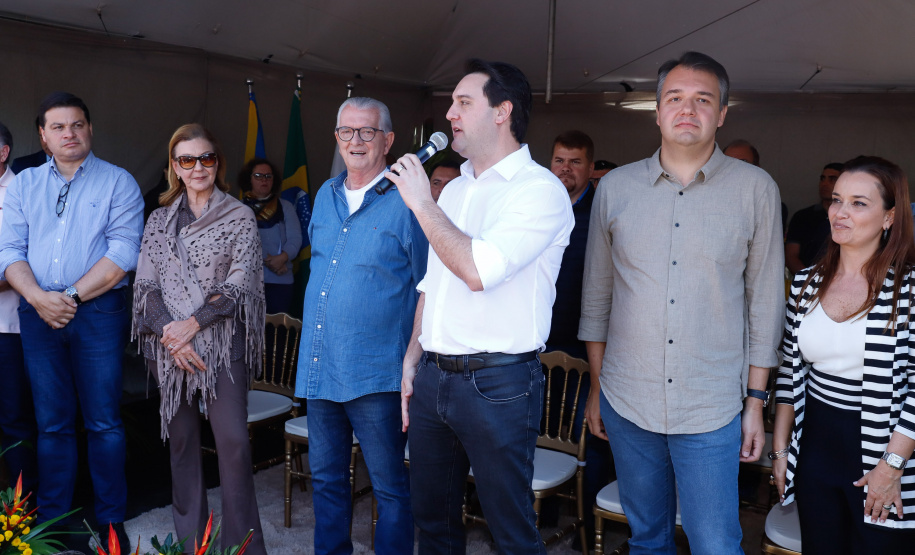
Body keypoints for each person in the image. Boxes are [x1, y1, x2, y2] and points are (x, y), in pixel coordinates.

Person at [579, 52, 784, 554]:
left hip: (711, 406)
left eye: (702, 100)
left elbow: (765, 304)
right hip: (628, 399)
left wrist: (755, 403)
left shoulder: (756, 190)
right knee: (647, 539)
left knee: (715, 542)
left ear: (722, 112)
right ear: (657, 110)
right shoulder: (616, 189)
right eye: (674, 98)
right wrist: (598, 388)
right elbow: (597, 297)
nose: (686, 109)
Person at [390, 59, 574, 554]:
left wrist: (421, 204)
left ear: (502, 112)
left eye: (463, 103)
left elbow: (477, 271)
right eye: (451, 103)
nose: (449, 113)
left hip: (499, 383)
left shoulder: (540, 191)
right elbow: (433, 284)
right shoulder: (454, 189)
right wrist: (412, 359)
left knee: (509, 530)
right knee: (431, 522)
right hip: (434, 378)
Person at [0, 92, 143, 549]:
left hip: (98, 312)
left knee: (103, 421)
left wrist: (70, 296)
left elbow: (123, 252)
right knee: (52, 423)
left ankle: (111, 520)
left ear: (90, 129)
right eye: (58, 127)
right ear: (42, 136)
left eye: (77, 125)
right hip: (38, 313)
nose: (70, 134)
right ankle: (56, 521)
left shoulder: (118, 182)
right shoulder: (23, 186)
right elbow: (8, 252)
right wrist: (39, 297)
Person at [295, 96, 425, 555]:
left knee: (390, 488)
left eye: (367, 132)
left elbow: (429, 288)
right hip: (320, 367)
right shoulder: (324, 198)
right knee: (326, 481)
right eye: (347, 132)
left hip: (377, 373)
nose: (356, 140)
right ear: (336, 138)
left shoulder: (411, 203)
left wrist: (414, 358)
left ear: (387, 140)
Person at [133, 124, 267, 555]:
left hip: (222, 347)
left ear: (218, 163)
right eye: (187, 160)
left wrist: (191, 325)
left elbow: (239, 283)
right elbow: (146, 286)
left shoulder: (239, 215)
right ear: (175, 166)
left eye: (206, 158)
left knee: (233, 444)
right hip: (168, 350)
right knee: (184, 445)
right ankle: (192, 544)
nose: (197, 167)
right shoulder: (159, 219)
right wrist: (174, 338)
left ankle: (242, 546)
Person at [772, 156, 915, 553]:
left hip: (882, 453)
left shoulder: (909, 290)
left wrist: (892, 467)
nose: (841, 212)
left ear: (889, 217)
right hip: (815, 451)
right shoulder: (805, 283)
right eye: (837, 200)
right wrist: (782, 452)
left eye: (859, 203)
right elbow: (789, 373)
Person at [0, 121, 38, 495]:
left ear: (3, 152)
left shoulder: (25, 193)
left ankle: (22, 512)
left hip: (9, 328)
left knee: (14, 419)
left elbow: (32, 263)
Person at [547, 130, 595, 358]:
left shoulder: (602, 212)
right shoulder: (535, 207)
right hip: (537, 339)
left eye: (575, 162)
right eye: (559, 161)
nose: (565, 168)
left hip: (584, 344)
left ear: (590, 169)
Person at [238, 157, 302, 314]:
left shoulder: (285, 207)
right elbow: (236, 246)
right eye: (258, 176)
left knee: (277, 335)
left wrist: (283, 258)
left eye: (268, 176)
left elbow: (296, 238)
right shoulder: (238, 208)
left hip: (280, 279)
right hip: (248, 281)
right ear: (249, 179)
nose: (264, 180)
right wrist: (270, 263)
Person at [785, 162, 845, 273]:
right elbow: (791, 256)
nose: (825, 183)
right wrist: (808, 281)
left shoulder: (849, 217)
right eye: (822, 178)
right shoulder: (802, 216)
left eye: (832, 179)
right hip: (806, 283)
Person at [724, 139, 788, 232]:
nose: (735, 169)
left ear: (757, 169)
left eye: (743, 163)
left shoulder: (767, 204)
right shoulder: (709, 201)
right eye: (728, 163)